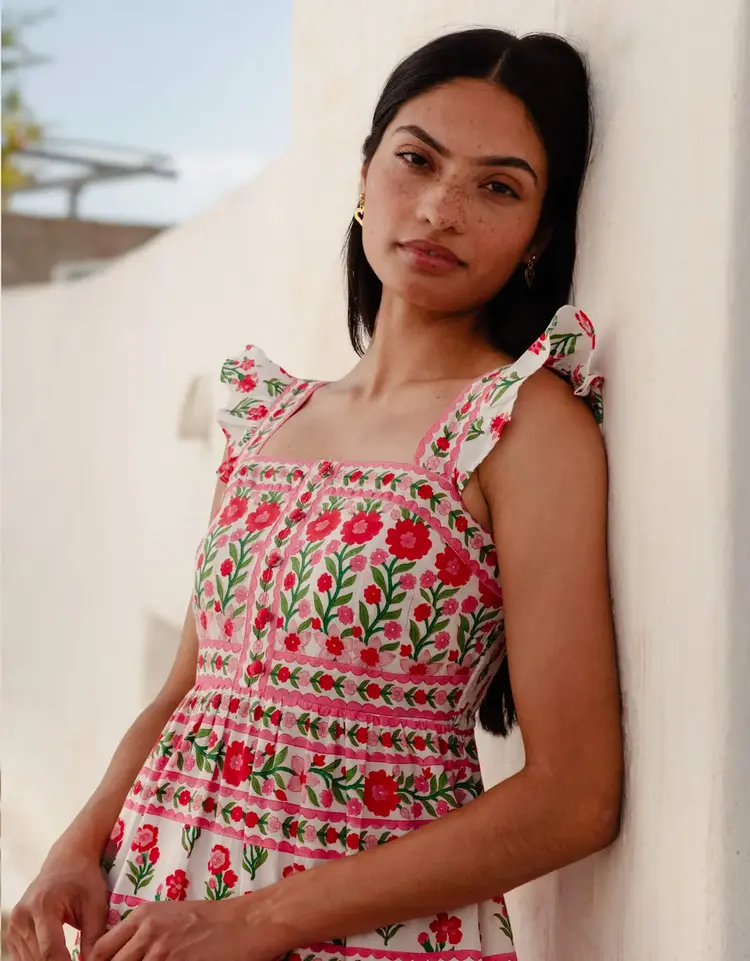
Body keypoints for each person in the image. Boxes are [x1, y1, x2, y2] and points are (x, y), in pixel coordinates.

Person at [8, 27, 623, 961]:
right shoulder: (269, 418)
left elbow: (576, 795)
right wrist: (76, 845)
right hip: (154, 914)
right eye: (416, 161)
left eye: (498, 187)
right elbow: (190, 687)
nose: (440, 209)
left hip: (358, 937)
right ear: (365, 172)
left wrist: (255, 919)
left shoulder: (520, 425)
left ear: (539, 233)